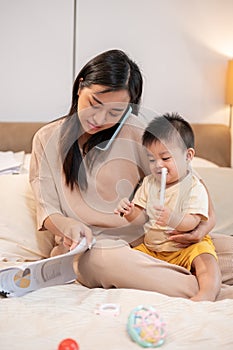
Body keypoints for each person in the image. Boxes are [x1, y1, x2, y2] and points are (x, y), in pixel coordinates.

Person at [29, 49, 233, 300]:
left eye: (115, 113)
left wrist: (205, 226)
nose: (100, 119)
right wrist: (68, 225)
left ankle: (192, 278)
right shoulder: (46, 138)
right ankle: (212, 291)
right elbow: (47, 208)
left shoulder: (140, 133)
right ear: (81, 86)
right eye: (95, 103)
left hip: (150, 244)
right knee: (106, 260)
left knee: (226, 249)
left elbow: (190, 184)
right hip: (92, 251)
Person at [115, 113, 221, 301]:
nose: (158, 166)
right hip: (153, 249)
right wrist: (130, 212)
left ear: (188, 156)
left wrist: (173, 219)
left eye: (165, 158)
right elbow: (141, 219)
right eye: (152, 159)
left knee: (206, 257)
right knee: (127, 256)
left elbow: (193, 221)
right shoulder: (148, 183)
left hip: (184, 248)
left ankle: (207, 292)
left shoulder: (193, 186)